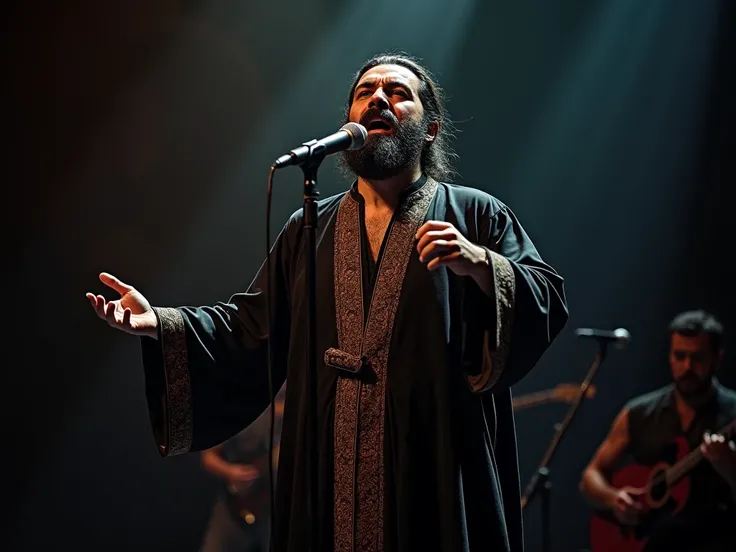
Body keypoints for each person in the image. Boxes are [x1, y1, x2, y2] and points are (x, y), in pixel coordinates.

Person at [86, 52, 569, 552]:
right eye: (365, 92)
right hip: (328, 467)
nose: (378, 98)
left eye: (398, 93)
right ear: (349, 122)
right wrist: (162, 324)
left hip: (431, 466)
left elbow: (546, 296)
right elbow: (251, 326)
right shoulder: (309, 228)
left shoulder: (475, 213)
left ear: (429, 129)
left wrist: (482, 264)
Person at [580, 310, 736, 551]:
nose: (687, 367)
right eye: (680, 356)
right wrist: (614, 498)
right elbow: (591, 475)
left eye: (698, 358)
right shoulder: (639, 412)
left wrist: (731, 467)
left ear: (717, 358)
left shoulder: (732, 414)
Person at [199, 386, 285, 552]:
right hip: (237, 507)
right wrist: (231, 472)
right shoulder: (236, 408)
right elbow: (207, 457)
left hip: (276, 511)